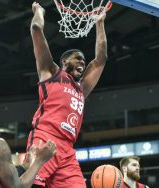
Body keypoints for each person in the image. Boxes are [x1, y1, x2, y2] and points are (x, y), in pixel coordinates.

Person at [27, 2, 107, 187]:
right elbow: (36, 28)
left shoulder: (82, 88)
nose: (82, 62)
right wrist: (39, 12)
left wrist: (100, 23)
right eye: (78, 58)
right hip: (45, 138)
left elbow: (101, 59)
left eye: (83, 60)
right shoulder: (51, 72)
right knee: (31, 184)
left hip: (68, 150)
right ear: (64, 61)